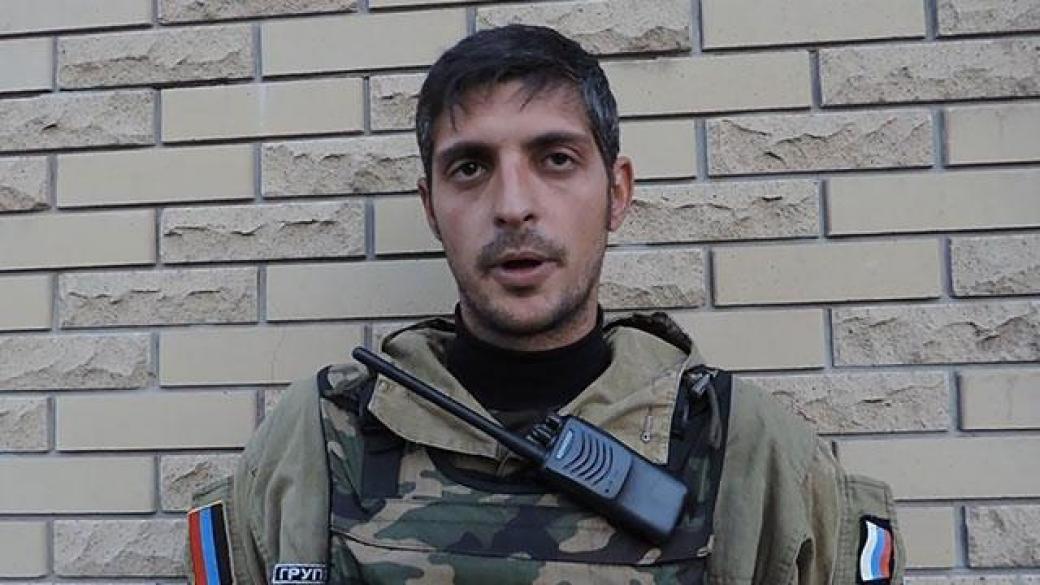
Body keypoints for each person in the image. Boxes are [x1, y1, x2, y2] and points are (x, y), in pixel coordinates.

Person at [185, 25, 904, 585]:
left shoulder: (754, 452)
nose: (513, 206)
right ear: (430, 206)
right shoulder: (310, 445)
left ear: (617, 191)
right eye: (470, 167)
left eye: (556, 159)